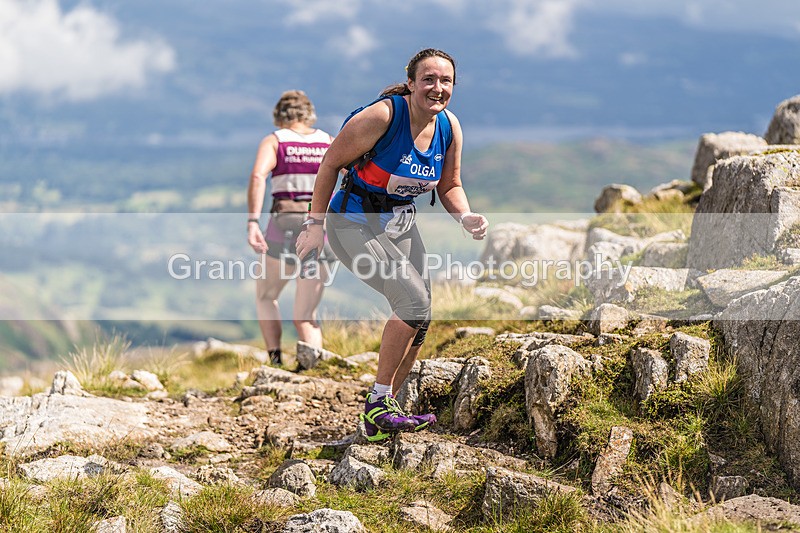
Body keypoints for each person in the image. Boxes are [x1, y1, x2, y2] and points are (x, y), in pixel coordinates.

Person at [295, 49, 488, 441]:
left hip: (399, 224)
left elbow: (450, 185)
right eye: (429, 79)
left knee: (421, 317)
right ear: (413, 82)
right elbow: (330, 164)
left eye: (446, 81)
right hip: (352, 222)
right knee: (412, 302)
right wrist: (314, 226)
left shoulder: (449, 127)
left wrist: (465, 216)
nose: (438, 88)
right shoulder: (383, 117)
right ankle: (379, 403)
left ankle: (384, 412)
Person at [247, 90, 334, 365]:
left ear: (279, 116)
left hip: (284, 225)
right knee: (306, 314)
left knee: (266, 295)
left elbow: (259, 175)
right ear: (308, 114)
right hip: (322, 228)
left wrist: (252, 221)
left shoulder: (275, 141)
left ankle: (275, 362)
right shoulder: (327, 142)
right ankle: (314, 367)